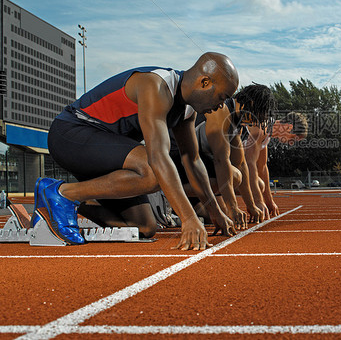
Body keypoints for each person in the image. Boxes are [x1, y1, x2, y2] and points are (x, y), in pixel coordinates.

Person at [34, 52, 238, 250]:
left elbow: (192, 161)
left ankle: (56, 199)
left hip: (104, 150)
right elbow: (158, 157)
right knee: (152, 171)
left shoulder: (187, 110)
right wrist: (188, 218)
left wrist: (216, 212)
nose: (221, 106)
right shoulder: (156, 85)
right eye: (222, 97)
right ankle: (63, 194)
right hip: (70, 133)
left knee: (142, 228)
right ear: (204, 82)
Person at [172, 83, 276, 228]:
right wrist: (233, 207)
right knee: (234, 176)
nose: (258, 121)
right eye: (259, 114)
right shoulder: (222, 110)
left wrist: (251, 205)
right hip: (176, 156)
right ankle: (168, 193)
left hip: (195, 161)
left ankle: (183, 201)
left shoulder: (238, 120)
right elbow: (221, 161)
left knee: (210, 216)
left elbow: (240, 163)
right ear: (251, 104)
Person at [243, 112, 308, 219]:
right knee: (259, 185)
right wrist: (258, 201)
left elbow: (262, 168)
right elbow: (250, 164)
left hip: (225, 165)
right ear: (288, 127)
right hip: (216, 161)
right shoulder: (262, 127)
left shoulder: (266, 135)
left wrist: (269, 202)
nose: (291, 143)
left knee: (260, 184)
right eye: (293, 139)